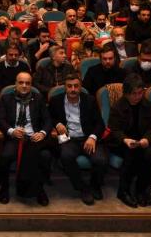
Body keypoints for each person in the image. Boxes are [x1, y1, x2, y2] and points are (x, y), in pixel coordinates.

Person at [49, 73, 108, 205]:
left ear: (81, 87)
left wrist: (92, 137)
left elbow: (100, 124)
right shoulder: (56, 100)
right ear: (65, 87)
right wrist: (57, 124)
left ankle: (95, 185)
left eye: (76, 86)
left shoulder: (90, 100)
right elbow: (48, 117)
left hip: (87, 137)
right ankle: (82, 188)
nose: (73, 89)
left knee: (101, 159)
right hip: (69, 139)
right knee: (66, 156)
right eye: (69, 86)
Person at [0, 72, 51, 206]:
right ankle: (4, 188)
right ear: (15, 84)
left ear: (31, 85)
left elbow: (48, 120)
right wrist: (12, 131)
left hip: (33, 137)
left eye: (28, 83)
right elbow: (0, 120)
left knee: (44, 156)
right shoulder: (6, 98)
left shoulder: (38, 98)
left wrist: (42, 133)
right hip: (15, 137)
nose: (24, 86)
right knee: (5, 156)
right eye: (21, 82)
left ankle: (39, 189)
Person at [107, 73, 151, 208]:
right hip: (122, 142)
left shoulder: (149, 106)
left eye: (140, 93)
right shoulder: (117, 107)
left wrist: (147, 139)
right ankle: (123, 191)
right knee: (131, 153)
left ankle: (141, 190)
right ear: (126, 93)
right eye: (133, 94)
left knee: (150, 154)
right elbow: (114, 130)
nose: (137, 97)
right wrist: (125, 139)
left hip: (142, 141)